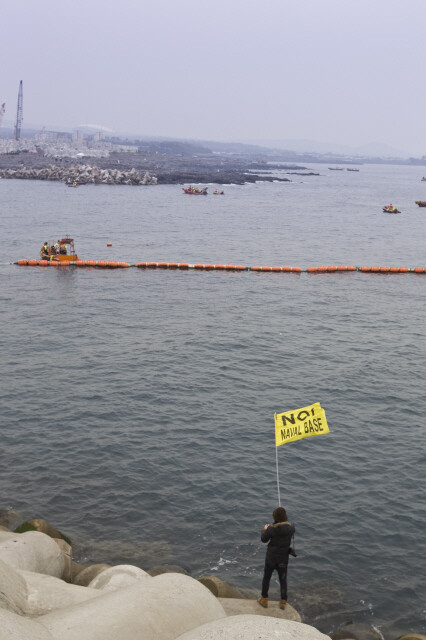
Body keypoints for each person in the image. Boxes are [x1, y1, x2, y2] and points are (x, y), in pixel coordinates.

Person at [258, 506, 295, 610]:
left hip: (271, 558)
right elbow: (287, 529)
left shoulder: (271, 529)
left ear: (275, 517)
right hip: (283, 559)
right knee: (283, 579)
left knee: (267, 578)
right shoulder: (291, 528)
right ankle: (283, 601)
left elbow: (263, 539)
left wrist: (264, 529)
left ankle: (264, 599)